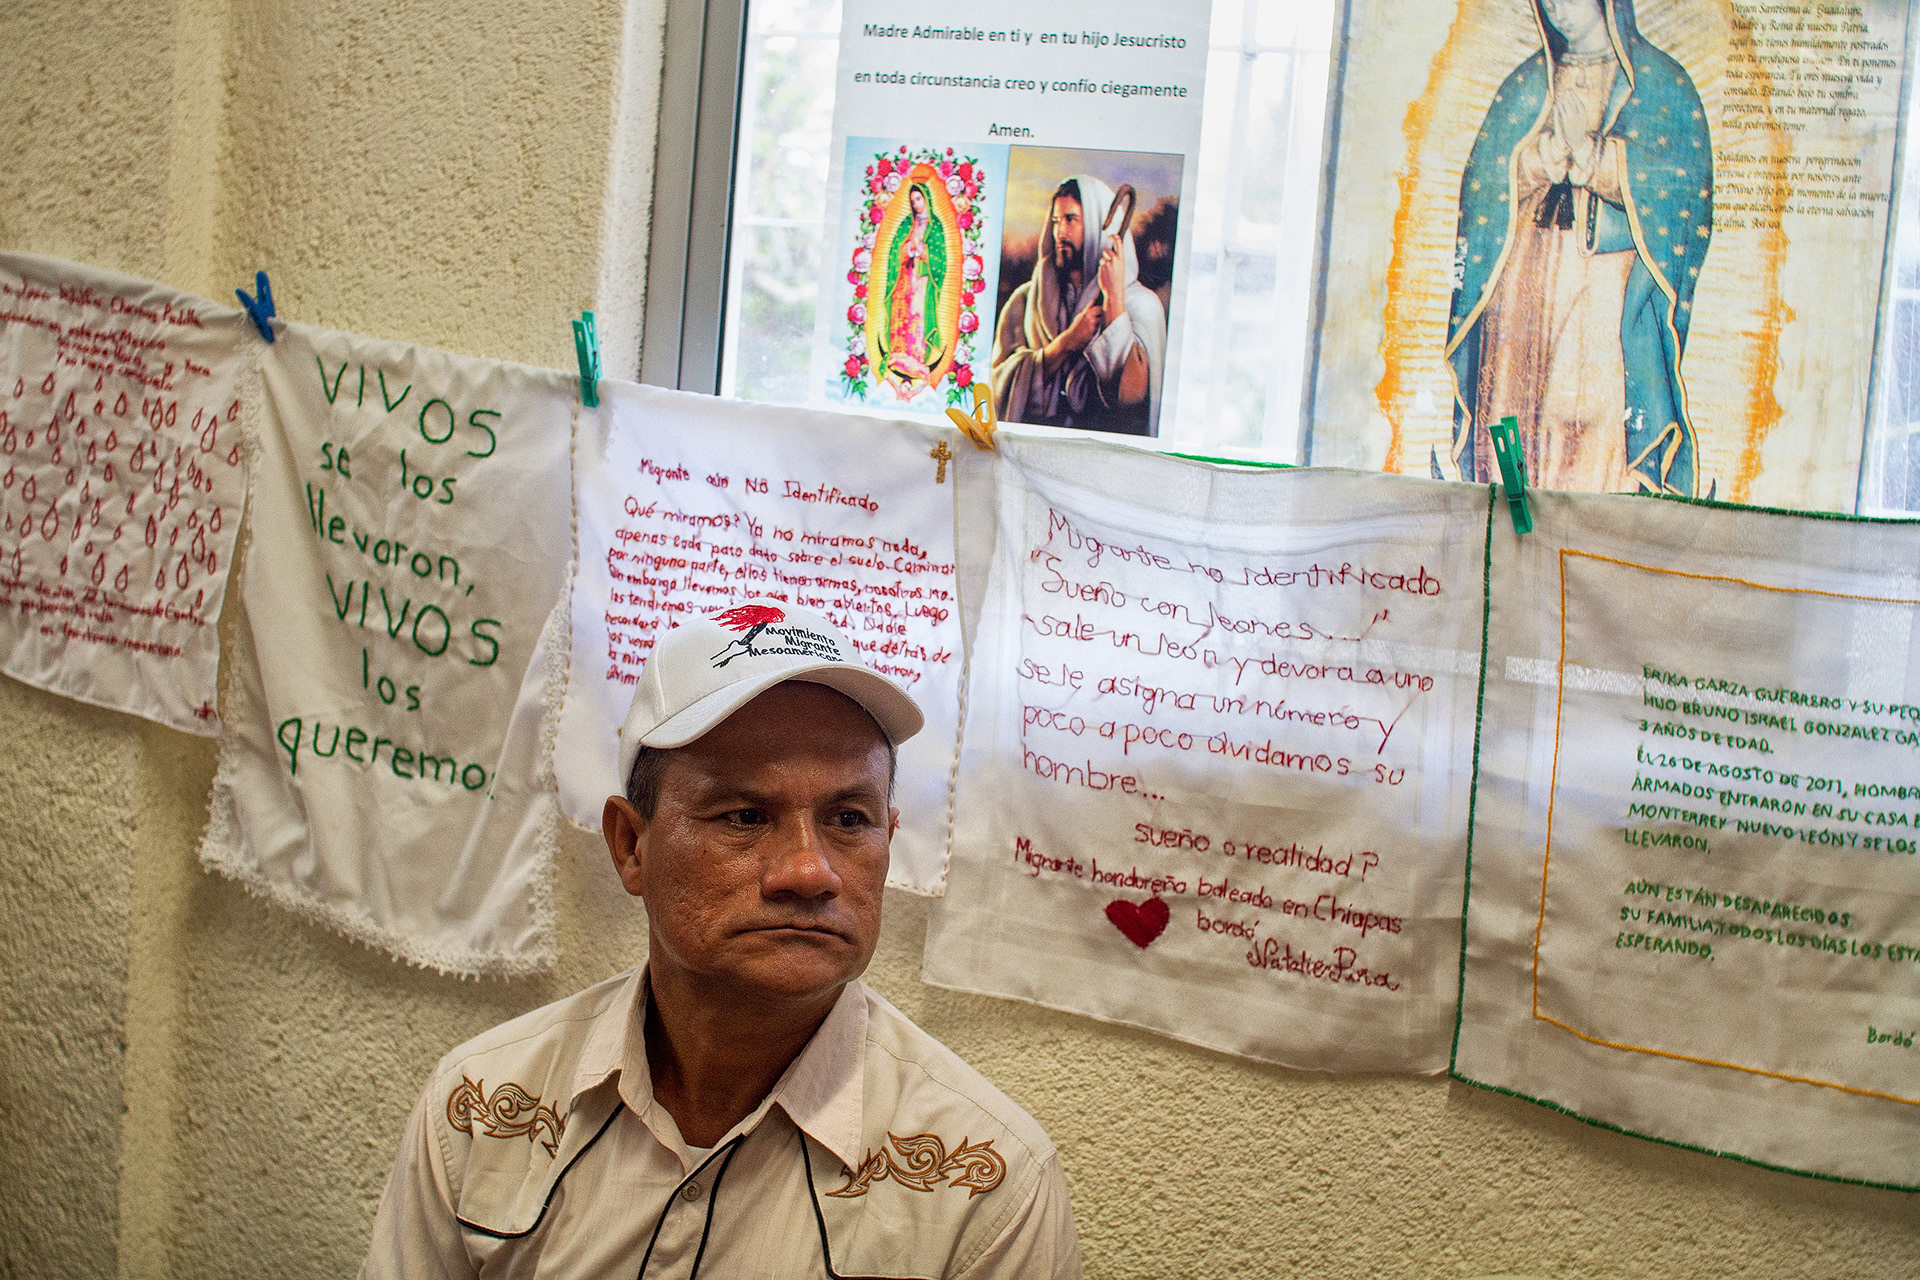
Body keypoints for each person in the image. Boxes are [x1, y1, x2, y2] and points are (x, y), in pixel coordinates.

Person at [361, 600, 1082, 1278]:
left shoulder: (986, 1185)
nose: (809, 871)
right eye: (743, 815)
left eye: (850, 819)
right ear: (630, 846)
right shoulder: (481, 1107)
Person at [1444, 0, 1711, 496]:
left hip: (1607, 282)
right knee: (1520, 407)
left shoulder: (1658, 84)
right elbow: (1481, 182)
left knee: (1592, 413)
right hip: (1528, 274)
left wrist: (1599, 161)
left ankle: (1591, 535)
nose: (1557, 8)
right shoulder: (1527, 83)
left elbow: (1682, 191)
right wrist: (1535, 161)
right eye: (1546, 0)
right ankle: (1520, 525)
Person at [991, 175, 1168, 436]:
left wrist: (1114, 300)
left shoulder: (1142, 306)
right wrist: (1065, 344)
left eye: (1070, 219)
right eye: (1055, 222)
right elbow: (994, 387)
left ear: (1100, 227)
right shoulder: (1025, 301)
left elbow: (1134, 404)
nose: (1060, 232)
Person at [881, 182, 948, 397]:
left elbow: (941, 258)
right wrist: (906, 249)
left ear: (926, 198)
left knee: (917, 316)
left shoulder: (935, 226)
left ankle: (917, 360)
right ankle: (899, 356)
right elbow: (894, 252)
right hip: (905, 277)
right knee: (902, 315)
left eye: (919, 199)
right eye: (912, 201)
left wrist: (924, 251)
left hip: (922, 280)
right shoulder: (905, 225)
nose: (916, 204)